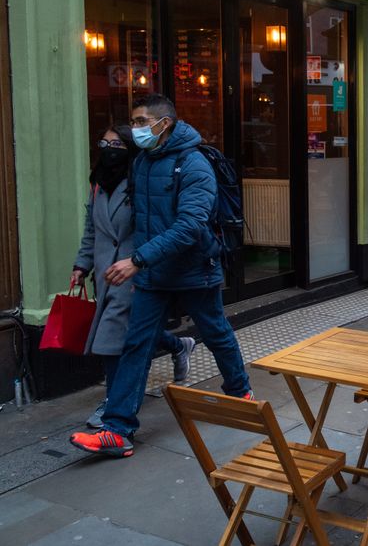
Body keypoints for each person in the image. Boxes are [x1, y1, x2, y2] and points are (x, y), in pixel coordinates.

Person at [70, 94, 251, 458]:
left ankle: (241, 393)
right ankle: (118, 429)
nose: (135, 129)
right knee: (135, 344)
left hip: (193, 271)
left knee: (215, 333)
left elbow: (190, 226)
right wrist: (91, 259)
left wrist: (136, 260)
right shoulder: (144, 163)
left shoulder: (194, 165)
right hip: (153, 274)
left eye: (140, 122)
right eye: (134, 123)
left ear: (163, 123)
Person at [71, 126, 195, 429]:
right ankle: (179, 346)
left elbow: (160, 226)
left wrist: (140, 261)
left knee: (115, 338)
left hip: (134, 269)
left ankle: (115, 405)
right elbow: (92, 230)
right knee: (132, 333)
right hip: (105, 272)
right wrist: (82, 264)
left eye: (117, 143)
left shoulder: (141, 182)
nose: (109, 148)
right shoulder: (98, 184)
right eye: (104, 142)